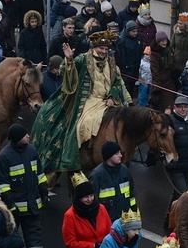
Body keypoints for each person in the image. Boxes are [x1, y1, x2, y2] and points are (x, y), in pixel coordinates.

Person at [32, 30, 131, 173]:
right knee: (84, 124)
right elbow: (66, 73)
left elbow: (116, 82)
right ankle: (78, 154)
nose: (103, 51)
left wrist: (111, 97)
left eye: (106, 49)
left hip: (108, 100)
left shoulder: (112, 63)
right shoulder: (83, 59)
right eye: (101, 48)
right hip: (88, 100)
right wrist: (69, 60)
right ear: (94, 48)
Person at [0, 124, 52, 248]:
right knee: (10, 237)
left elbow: (39, 174)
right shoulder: (4, 157)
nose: (28, 136)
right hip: (14, 210)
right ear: (16, 138)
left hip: (32, 206)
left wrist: (44, 192)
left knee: (34, 235)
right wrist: (11, 205)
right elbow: (2, 185)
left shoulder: (32, 151)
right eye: (25, 135)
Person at [164, 96, 188, 227]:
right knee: (184, 195)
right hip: (177, 167)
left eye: (185, 106)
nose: (183, 109)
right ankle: (182, 225)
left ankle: (169, 218)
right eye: (180, 106)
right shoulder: (170, 123)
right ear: (174, 107)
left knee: (179, 193)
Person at [88, 141, 137, 223]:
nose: (120, 155)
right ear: (109, 156)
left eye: (120, 152)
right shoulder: (97, 175)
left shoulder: (125, 171)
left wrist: (134, 214)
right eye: (117, 153)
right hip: (106, 223)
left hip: (124, 222)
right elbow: (92, 202)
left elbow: (131, 195)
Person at [149, 31, 178, 111]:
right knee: (162, 106)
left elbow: (174, 63)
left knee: (170, 105)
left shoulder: (169, 51)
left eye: (165, 40)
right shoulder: (155, 54)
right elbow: (155, 71)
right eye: (162, 41)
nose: (164, 43)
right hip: (161, 84)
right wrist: (156, 87)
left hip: (171, 82)